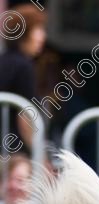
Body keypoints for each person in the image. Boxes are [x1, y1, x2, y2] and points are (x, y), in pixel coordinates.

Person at [0, 4, 47, 153]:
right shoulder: (23, 66)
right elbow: (26, 118)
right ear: (24, 34)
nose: (42, 37)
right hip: (12, 155)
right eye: (38, 30)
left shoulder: (5, 61)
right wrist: (41, 157)